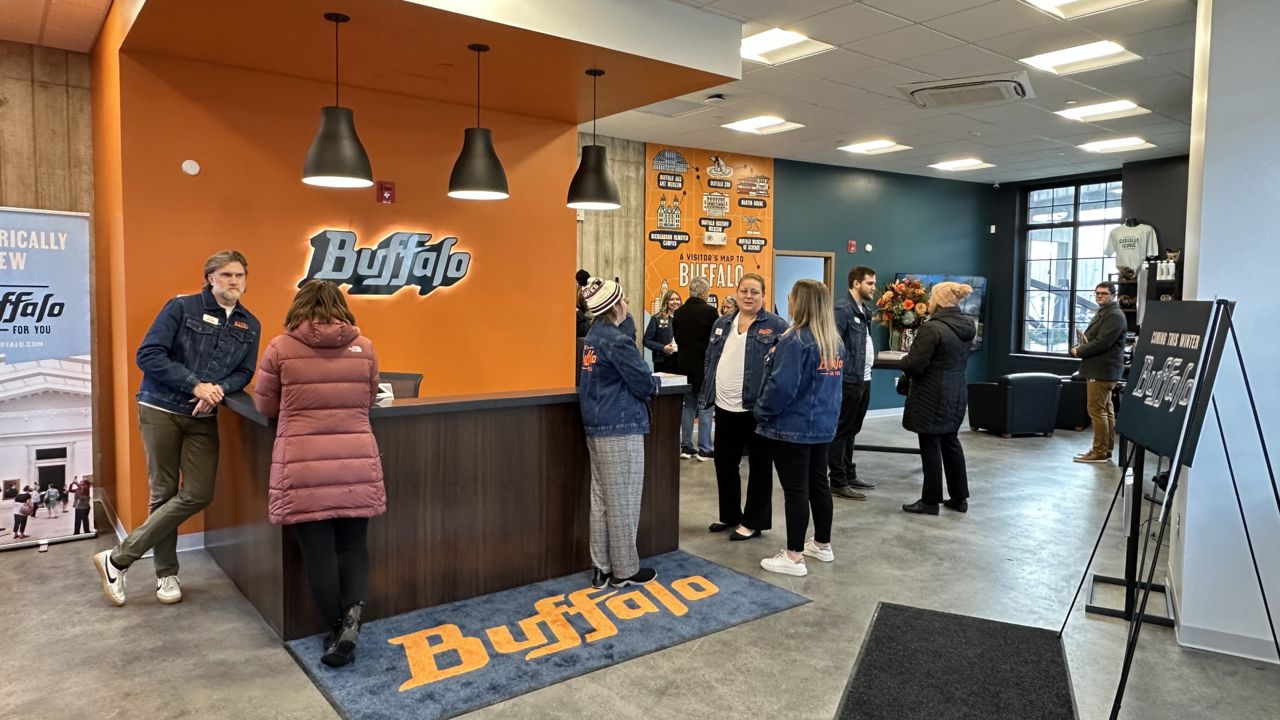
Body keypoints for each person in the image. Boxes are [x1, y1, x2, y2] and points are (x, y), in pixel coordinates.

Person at [93, 250, 260, 607]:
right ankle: (166, 574)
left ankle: (117, 558)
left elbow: (244, 372)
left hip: (203, 417)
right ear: (211, 278)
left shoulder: (250, 324)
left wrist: (218, 390)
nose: (234, 281)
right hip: (160, 408)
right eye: (227, 275)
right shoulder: (181, 307)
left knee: (199, 492)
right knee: (164, 493)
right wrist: (195, 385)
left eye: (239, 275)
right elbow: (149, 354)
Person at [254, 280, 385, 668]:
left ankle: (336, 629)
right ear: (341, 308)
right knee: (353, 546)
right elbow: (369, 396)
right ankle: (352, 618)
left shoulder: (280, 348)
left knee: (318, 553)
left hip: (303, 464)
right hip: (356, 459)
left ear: (299, 307)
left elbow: (265, 405)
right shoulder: (365, 348)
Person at [753, 280, 844, 576]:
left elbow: (782, 387)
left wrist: (761, 412)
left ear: (799, 302)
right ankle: (821, 544)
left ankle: (793, 557)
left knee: (795, 490)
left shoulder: (795, 340)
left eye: (792, 297)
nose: (789, 300)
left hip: (792, 427)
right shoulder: (833, 341)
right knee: (818, 484)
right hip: (822, 426)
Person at [578, 277, 660, 589]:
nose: (627, 303)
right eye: (623, 299)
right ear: (616, 306)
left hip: (596, 425)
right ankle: (624, 570)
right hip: (620, 427)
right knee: (624, 500)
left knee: (601, 499)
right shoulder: (617, 341)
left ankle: (601, 568)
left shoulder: (593, 337)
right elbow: (644, 382)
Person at [702, 273, 789, 541]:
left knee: (760, 467)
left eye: (754, 292)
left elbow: (782, 368)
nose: (748, 296)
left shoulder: (776, 325)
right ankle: (729, 515)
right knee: (724, 463)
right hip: (724, 406)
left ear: (763, 296)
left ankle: (753, 521)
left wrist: (770, 402)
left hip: (757, 410)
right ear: (737, 293)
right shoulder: (722, 323)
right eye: (744, 291)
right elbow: (711, 359)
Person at [900, 282, 977, 515]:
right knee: (950, 442)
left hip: (931, 394)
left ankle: (930, 501)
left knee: (930, 445)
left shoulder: (932, 328)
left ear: (940, 301)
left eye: (932, 297)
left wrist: (903, 361)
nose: (929, 301)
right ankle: (959, 497)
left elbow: (915, 364)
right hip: (956, 391)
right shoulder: (967, 326)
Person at [829, 266, 879, 500]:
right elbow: (833, 345)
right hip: (848, 380)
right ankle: (838, 481)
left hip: (863, 378)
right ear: (856, 283)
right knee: (842, 430)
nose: (874, 287)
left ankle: (849, 474)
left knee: (852, 429)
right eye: (870, 283)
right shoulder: (842, 309)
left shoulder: (864, 311)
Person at [1070, 281, 1126, 464]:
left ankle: (1099, 451)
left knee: (1096, 410)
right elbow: (1096, 339)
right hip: (1101, 368)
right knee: (1105, 410)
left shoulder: (1114, 315)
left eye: (1104, 293)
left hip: (1102, 370)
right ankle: (1105, 449)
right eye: (1097, 293)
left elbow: (1102, 343)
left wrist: (1079, 351)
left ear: (1113, 295)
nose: (1100, 296)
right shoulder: (1104, 313)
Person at [672, 277, 719, 461]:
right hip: (704, 367)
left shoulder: (679, 312)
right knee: (705, 407)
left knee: (688, 407)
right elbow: (716, 341)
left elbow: (676, 337)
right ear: (703, 292)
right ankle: (704, 448)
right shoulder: (710, 312)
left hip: (684, 366)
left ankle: (686, 446)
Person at [643, 290, 681, 373]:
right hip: (662, 361)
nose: (675, 302)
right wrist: (663, 348)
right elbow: (646, 340)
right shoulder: (656, 318)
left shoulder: (684, 319)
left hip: (680, 361)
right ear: (666, 302)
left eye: (677, 299)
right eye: (672, 299)